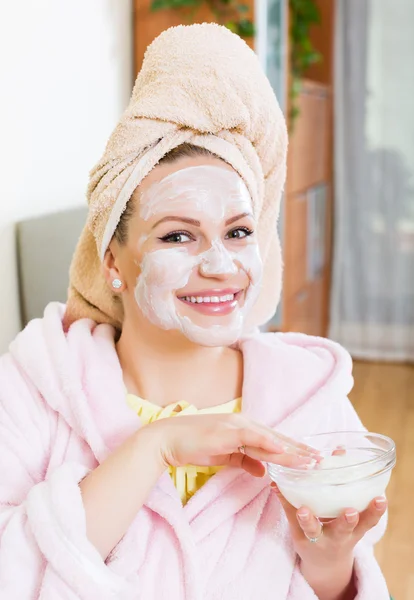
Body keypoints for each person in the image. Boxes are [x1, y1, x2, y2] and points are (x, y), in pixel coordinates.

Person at [0, 24, 390, 600]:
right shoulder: (35, 388)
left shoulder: (309, 398)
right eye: (178, 237)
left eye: (238, 232)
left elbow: (336, 584)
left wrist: (328, 564)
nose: (220, 265)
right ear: (114, 261)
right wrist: (156, 446)